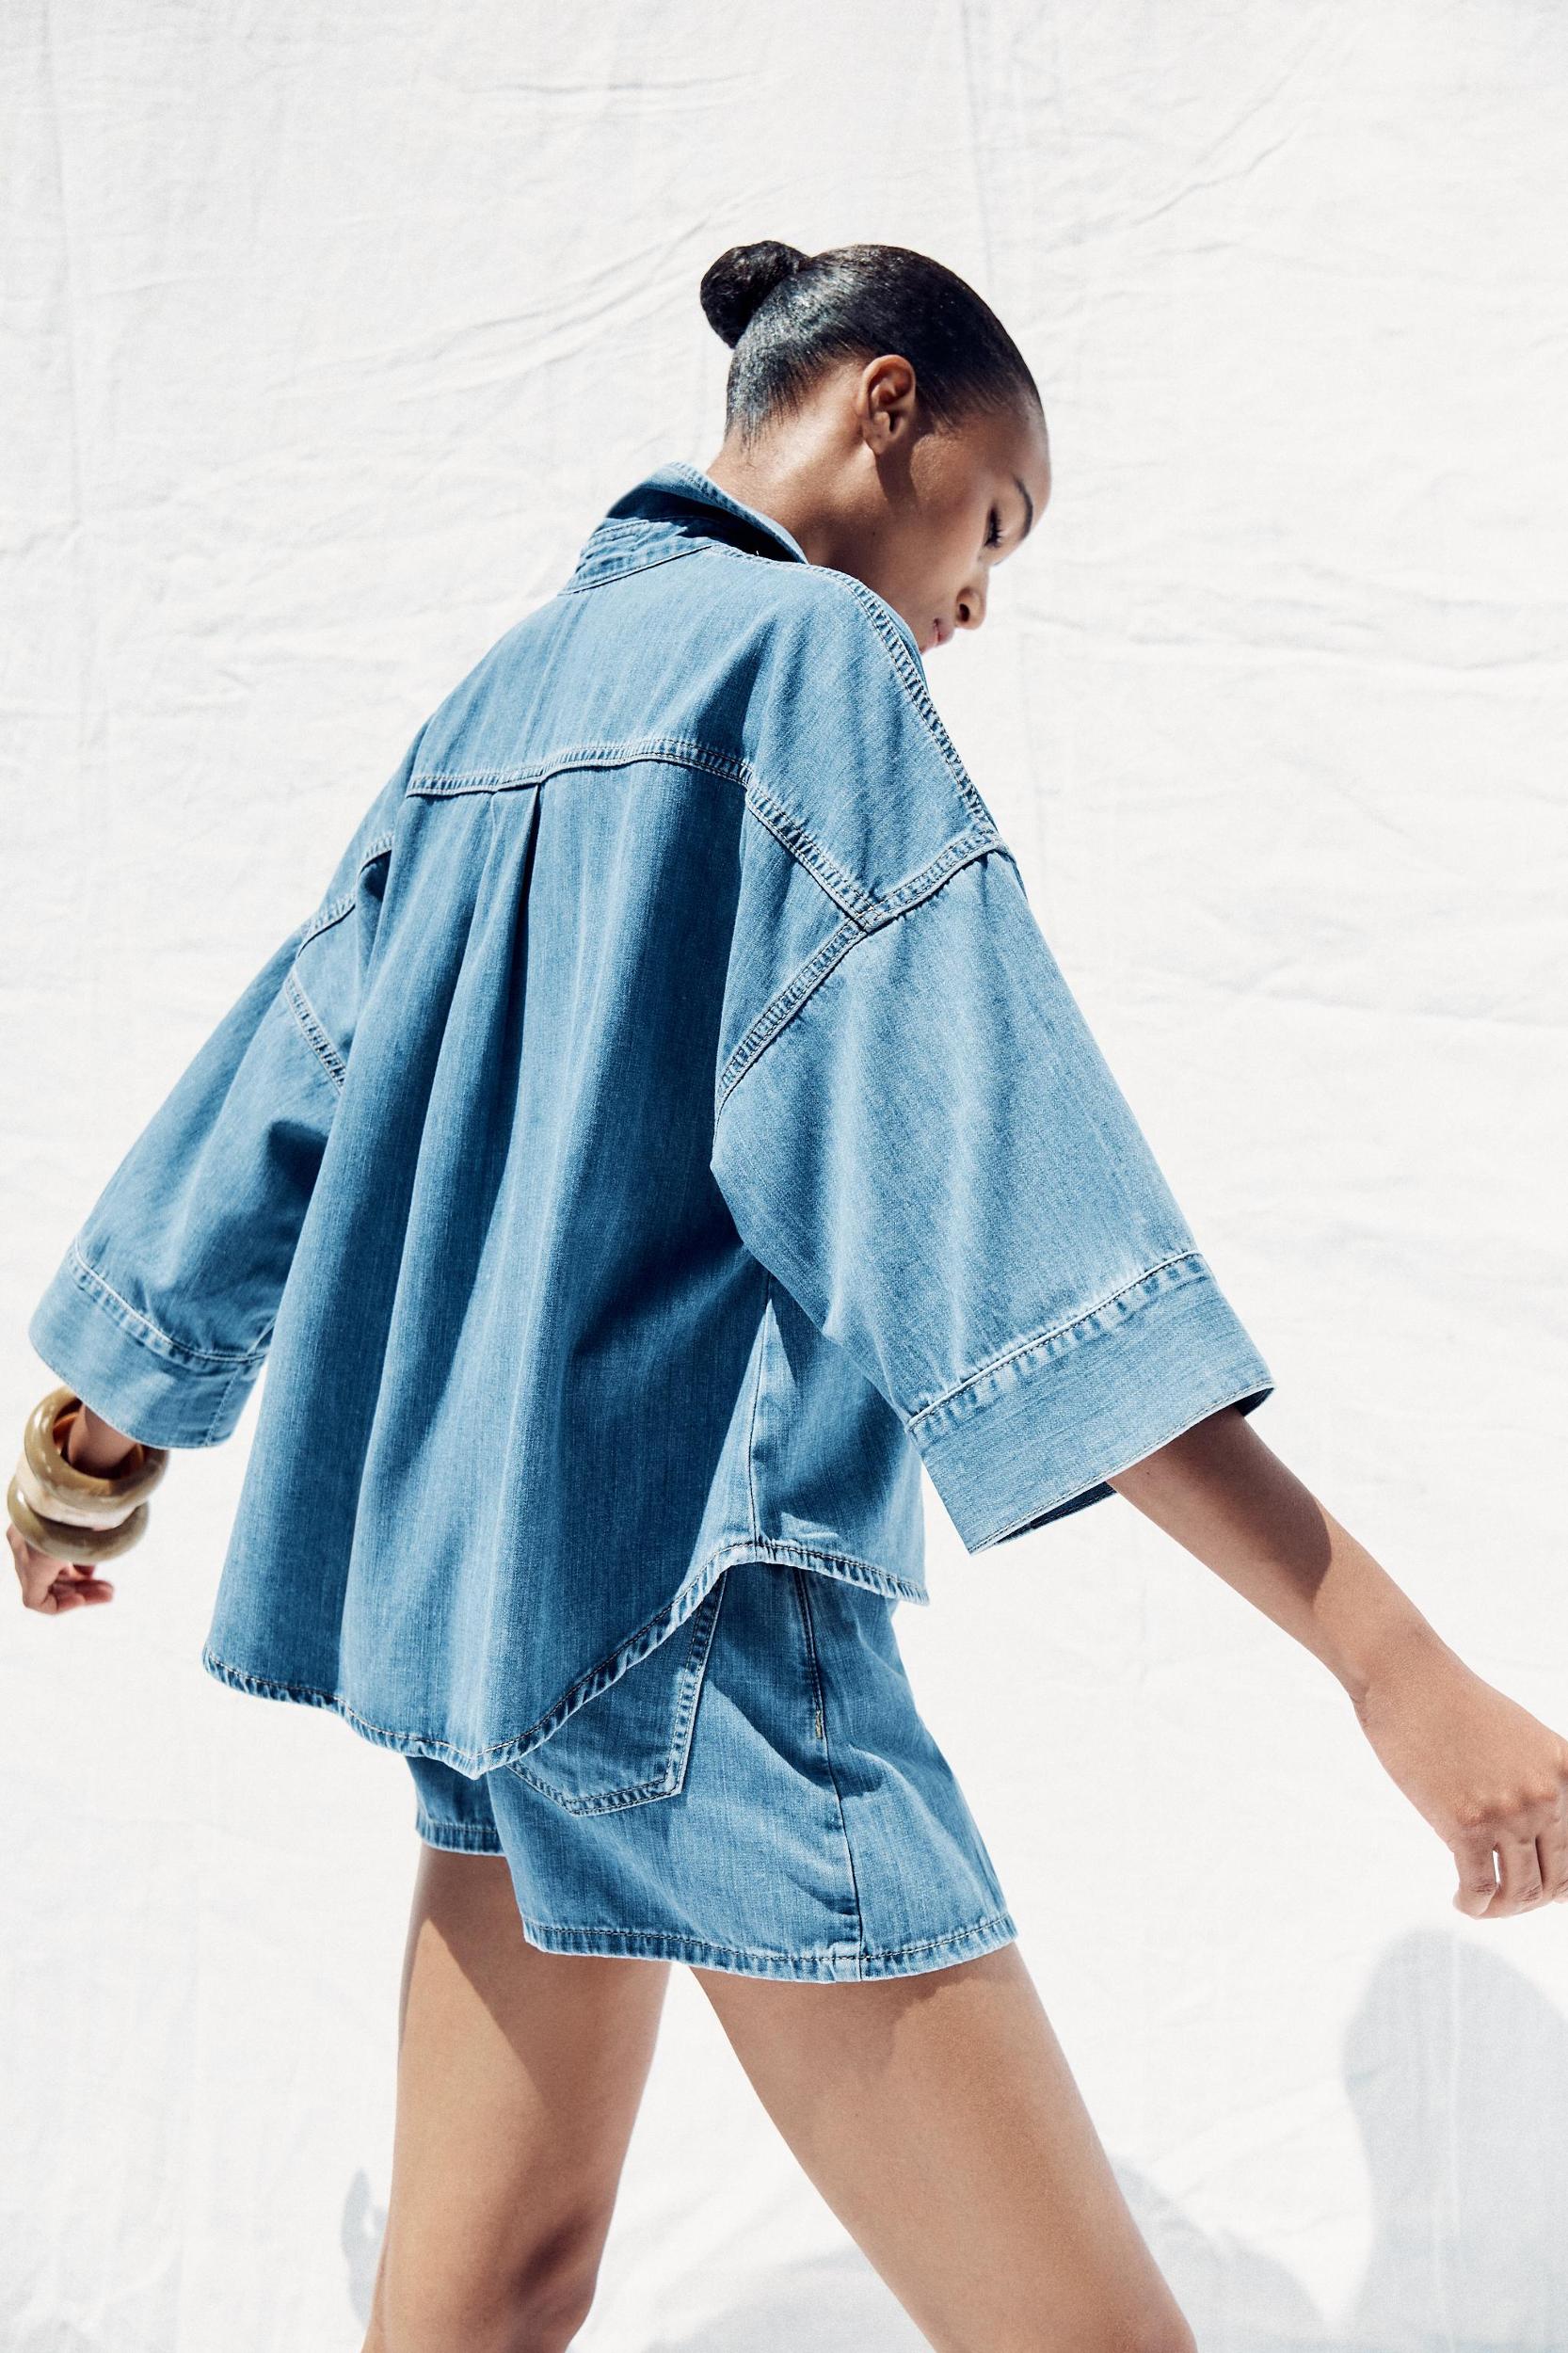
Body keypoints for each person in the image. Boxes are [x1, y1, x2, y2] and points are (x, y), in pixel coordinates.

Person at [9, 238, 1567, 2353]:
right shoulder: (813, 665)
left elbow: (297, 1060)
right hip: (699, 1620)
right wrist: (1386, 1660)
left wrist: (101, 1425)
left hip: (496, 1631)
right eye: (993, 523)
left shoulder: (505, 688)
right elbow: (1007, 1209)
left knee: (475, 2307)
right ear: (882, 405)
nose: (976, 602)